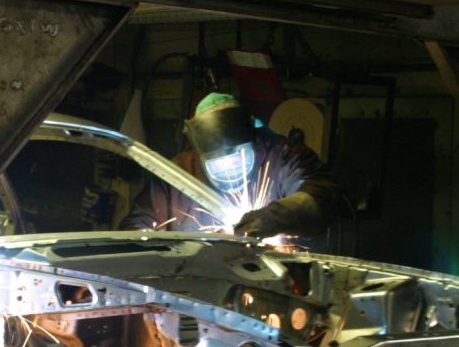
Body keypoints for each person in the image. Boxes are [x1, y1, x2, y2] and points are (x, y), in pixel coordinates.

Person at [122, 93, 344, 238]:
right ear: (201, 157)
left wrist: (275, 217)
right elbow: (137, 224)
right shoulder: (177, 174)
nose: (230, 171)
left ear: (253, 144)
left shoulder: (281, 156)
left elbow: (322, 194)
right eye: (219, 164)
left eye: (237, 158)